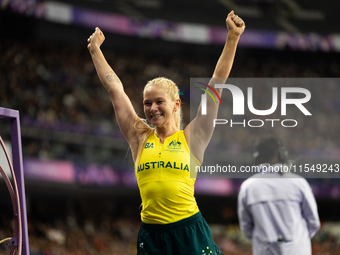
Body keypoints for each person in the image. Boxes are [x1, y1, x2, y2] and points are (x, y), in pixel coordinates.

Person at [87, 11, 245, 255]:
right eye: (147, 103)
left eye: (159, 101)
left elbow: (217, 83)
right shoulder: (139, 136)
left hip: (189, 231)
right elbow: (115, 89)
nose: (152, 108)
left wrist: (232, 38)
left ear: (176, 104)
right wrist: (95, 50)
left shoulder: (193, 137)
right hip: (151, 236)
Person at [238, 137, 320, 255]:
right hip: (297, 250)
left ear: (258, 158)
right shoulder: (299, 183)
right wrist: (297, 242)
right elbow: (313, 223)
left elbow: (246, 228)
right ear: (282, 154)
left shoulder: (248, 187)